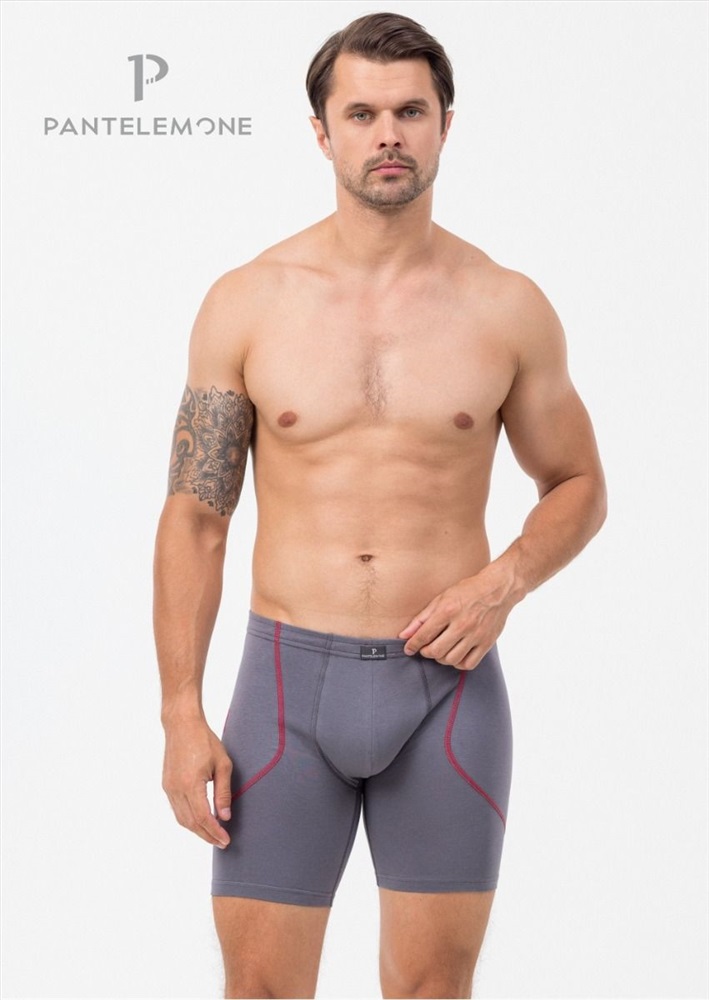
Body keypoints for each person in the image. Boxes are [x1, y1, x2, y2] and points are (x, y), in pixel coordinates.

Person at [153, 11, 607, 999]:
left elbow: (578, 483)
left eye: (410, 111)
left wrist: (501, 584)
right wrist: (181, 714)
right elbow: (195, 517)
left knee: (432, 990)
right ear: (322, 133)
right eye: (361, 114)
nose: (388, 134)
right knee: (261, 990)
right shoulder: (248, 302)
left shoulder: (506, 307)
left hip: (446, 690)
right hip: (283, 691)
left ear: (446, 124)